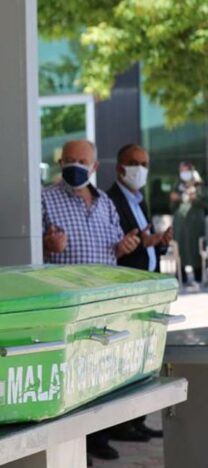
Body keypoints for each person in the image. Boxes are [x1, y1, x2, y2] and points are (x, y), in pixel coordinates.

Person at [42, 139, 140, 463]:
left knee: (100, 372)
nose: (74, 166)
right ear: (60, 163)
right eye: (68, 159)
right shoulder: (45, 198)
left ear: (95, 166)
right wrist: (47, 245)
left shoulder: (105, 203)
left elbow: (114, 245)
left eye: (82, 161)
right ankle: (72, 445)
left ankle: (97, 437)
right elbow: (30, 248)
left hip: (102, 302)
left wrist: (123, 247)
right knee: (69, 376)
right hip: (66, 305)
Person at [106, 144, 172, 442]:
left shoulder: (139, 201)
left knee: (142, 358)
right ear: (120, 166)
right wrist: (141, 244)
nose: (140, 169)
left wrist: (159, 243)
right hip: (125, 287)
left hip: (146, 288)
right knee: (123, 357)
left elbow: (144, 243)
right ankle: (119, 424)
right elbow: (118, 245)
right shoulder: (111, 200)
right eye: (134, 163)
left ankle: (137, 419)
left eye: (145, 163)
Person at [171, 161, 206, 285]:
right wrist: (179, 197)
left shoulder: (199, 185)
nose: (184, 173)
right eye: (182, 171)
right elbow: (172, 203)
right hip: (180, 225)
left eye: (187, 170)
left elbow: (205, 202)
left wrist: (194, 197)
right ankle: (182, 276)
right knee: (180, 249)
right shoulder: (177, 185)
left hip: (196, 224)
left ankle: (198, 276)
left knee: (196, 248)